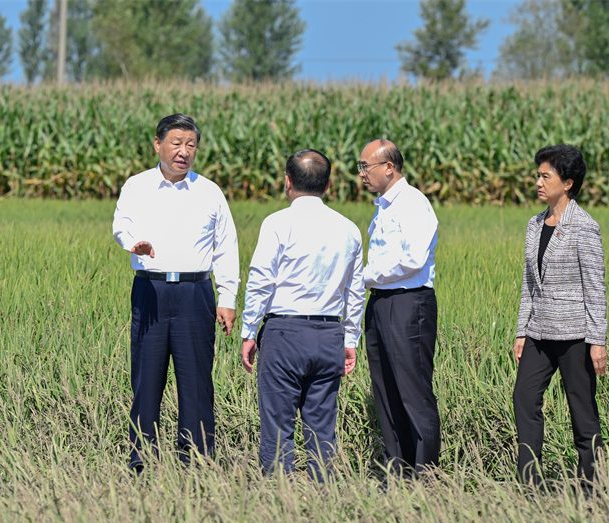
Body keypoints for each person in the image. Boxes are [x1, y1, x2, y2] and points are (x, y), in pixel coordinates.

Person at [112, 113, 240, 471]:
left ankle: (196, 459)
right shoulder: (137, 186)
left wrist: (227, 298)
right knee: (146, 378)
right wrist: (132, 244)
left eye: (191, 145)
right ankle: (142, 458)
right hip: (150, 290)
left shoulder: (209, 191)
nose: (184, 152)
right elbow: (121, 223)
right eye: (176, 143)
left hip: (195, 292)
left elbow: (226, 247)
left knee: (196, 380)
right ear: (158, 144)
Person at [240, 149, 365, 479]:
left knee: (278, 428)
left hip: (284, 334)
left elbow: (261, 281)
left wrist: (249, 331)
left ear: (287, 182)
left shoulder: (278, 223)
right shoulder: (349, 229)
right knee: (322, 429)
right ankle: (322, 500)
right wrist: (350, 338)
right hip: (329, 336)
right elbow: (355, 291)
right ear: (328, 185)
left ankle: (278, 500)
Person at [513, 144, 607, 490]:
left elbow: (595, 287)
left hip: (575, 336)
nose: (538, 181)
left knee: (582, 412)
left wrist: (598, 340)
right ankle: (529, 483)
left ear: (567, 183)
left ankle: (591, 486)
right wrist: (522, 329)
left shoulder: (584, 227)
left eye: (545, 175)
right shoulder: (535, 224)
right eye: (538, 175)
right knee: (524, 398)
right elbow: (528, 283)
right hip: (539, 332)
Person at [358, 139, 440, 476]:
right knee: (386, 391)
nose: (361, 173)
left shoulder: (412, 203)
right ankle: (398, 470)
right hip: (380, 303)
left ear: (389, 167)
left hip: (408, 304)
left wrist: (366, 276)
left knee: (413, 391)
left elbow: (412, 259)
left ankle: (426, 474)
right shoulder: (384, 207)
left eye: (366, 166)